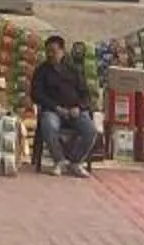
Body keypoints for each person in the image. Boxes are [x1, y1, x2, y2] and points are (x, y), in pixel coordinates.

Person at [27, 34, 99, 176]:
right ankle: (59, 160)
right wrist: (56, 108)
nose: (50, 55)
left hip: (74, 111)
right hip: (53, 111)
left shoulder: (74, 70)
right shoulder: (42, 70)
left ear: (62, 51)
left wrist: (79, 108)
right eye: (48, 52)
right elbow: (36, 94)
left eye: (53, 51)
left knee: (90, 131)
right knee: (48, 125)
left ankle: (75, 161)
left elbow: (86, 94)